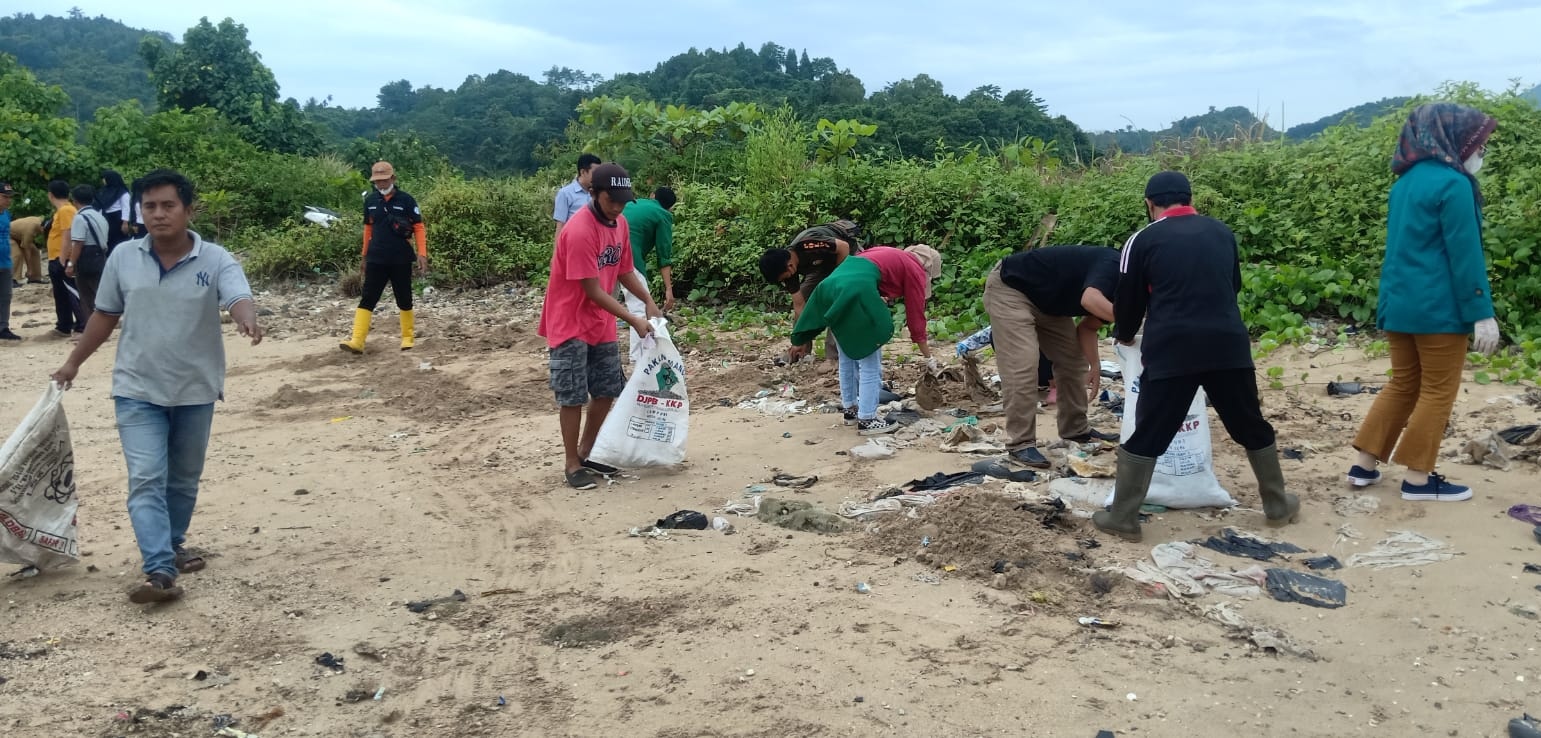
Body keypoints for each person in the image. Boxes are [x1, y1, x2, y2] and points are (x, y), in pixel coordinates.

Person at [50, 168, 263, 604]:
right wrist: (73, 362)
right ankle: (159, 570)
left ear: (188, 209)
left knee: (183, 480)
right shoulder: (124, 257)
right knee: (146, 477)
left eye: (168, 205)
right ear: (140, 211)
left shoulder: (216, 258)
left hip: (195, 390)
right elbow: (105, 315)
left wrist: (246, 317)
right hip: (136, 389)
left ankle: (174, 543)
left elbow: (237, 294)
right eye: (150, 206)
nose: (159, 214)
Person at [1093, 171, 1298, 542]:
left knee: (1151, 432)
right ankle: (1278, 504)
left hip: (1172, 349)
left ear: (1149, 204)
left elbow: (1129, 301)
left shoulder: (1142, 239)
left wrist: (1124, 336)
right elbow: (1231, 285)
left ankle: (1123, 518)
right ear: (1189, 198)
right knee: (1248, 423)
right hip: (1228, 345)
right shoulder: (1221, 231)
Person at [1345, 103, 1500, 502]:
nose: (1481, 152)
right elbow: (1465, 255)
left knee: (1403, 384)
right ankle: (1418, 479)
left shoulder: (1406, 182)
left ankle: (1363, 465)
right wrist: (1481, 312)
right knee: (1437, 390)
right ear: (1456, 140)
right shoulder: (1454, 184)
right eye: (1479, 143)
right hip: (1439, 310)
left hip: (1399, 304)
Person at [538, 163, 662, 490]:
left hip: (600, 319)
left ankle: (586, 451)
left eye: (623, 200)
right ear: (594, 193)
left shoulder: (619, 224)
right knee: (573, 394)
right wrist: (633, 318)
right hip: (570, 320)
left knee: (607, 389)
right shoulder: (579, 231)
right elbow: (591, 290)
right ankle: (570, 463)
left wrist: (647, 300)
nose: (618, 207)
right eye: (612, 200)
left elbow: (624, 270)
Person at [983, 245, 1122, 468]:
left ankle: (1076, 430)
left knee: (1074, 362)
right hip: (1011, 289)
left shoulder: (1132, 293)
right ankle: (1020, 444)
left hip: (1049, 304)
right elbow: (1090, 299)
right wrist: (1133, 321)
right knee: (1023, 364)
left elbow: (1088, 327)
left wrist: (1094, 364)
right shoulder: (1114, 264)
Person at [787, 254, 898, 435]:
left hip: (831, 292)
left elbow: (811, 311)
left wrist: (800, 338)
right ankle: (867, 419)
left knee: (846, 358)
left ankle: (850, 410)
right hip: (854, 294)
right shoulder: (895, 266)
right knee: (870, 362)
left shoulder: (856, 261)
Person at [340, 161, 427, 353]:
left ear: (393, 179)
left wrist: (422, 253)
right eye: (376, 181)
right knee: (368, 298)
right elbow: (367, 229)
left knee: (404, 298)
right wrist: (364, 256)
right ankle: (357, 340)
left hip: (401, 258)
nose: (380, 184)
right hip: (376, 258)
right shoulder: (370, 201)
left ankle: (407, 338)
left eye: (384, 180)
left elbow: (419, 227)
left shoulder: (407, 200)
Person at [758, 219, 865, 357]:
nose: (786, 280)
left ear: (789, 266)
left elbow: (843, 246)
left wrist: (838, 277)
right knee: (805, 295)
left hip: (848, 254)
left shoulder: (808, 244)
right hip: (822, 266)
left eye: (784, 277)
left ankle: (833, 356)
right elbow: (799, 305)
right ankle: (801, 350)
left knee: (839, 300)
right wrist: (801, 336)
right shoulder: (788, 273)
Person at [620, 185, 677, 363]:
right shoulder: (663, 215)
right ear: (670, 208)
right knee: (640, 306)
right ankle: (638, 358)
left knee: (602, 303)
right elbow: (664, 255)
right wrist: (669, 289)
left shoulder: (633, 203)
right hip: (629, 257)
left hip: (606, 253)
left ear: (652, 196)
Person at [65, 184, 110, 326]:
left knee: (86, 296)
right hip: (101, 256)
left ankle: (92, 328)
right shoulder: (99, 216)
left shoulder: (80, 218)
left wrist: (71, 264)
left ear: (74, 201)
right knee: (100, 293)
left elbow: (78, 243)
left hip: (87, 257)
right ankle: (105, 326)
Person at [45, 180, 82, 337]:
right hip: (56, 257)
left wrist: (63, 259)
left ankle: (82, 324)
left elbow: (68, 234)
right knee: (60, 293)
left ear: (50, 195)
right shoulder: (62, 211)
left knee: (71, 292)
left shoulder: (66, 210)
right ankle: (64, 325)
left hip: (62, 258)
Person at [553, 153, 602, 239]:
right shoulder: (565, 193)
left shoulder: (599, 193)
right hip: (573, 244)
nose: (598, 177)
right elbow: (560, 226)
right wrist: (557, 252)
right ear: (583, 172)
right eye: (595, 173)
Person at [94, 169, 132, 250]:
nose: (103, 180)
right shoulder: (104, 191)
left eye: (105, 178)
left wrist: (125, 223)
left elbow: (126, 207)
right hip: (106, 218)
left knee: (118, 241)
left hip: (117, 218)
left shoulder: (122, 192)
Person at [9, 214, 46, 287]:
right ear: (42, 228)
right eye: (44, 231)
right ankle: (10, 280)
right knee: (17, 254)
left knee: (35, 251)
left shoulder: (40, 220)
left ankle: (35, 277)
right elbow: (26, 249)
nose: (43, 233)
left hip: (17, 235)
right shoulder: (30, 230)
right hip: (5, 234)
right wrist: (29, 269)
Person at [0, 183, 17, 341]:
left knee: (6, 296)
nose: (8, 200)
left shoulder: (6, 214)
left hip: (5, 262)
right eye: (5, 197)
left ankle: (3, 327)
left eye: (9, 197)